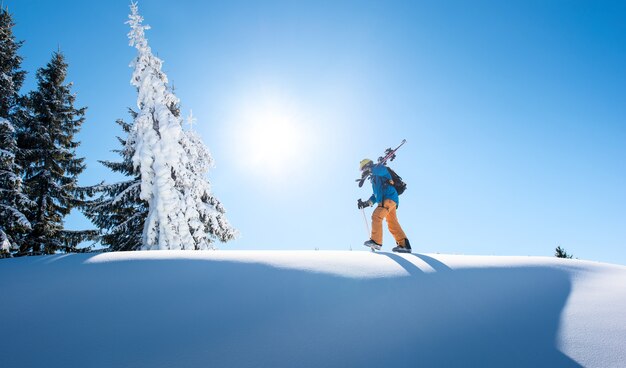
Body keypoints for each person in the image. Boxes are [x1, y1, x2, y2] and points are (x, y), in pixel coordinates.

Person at [357, 158, 411, 253]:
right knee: (392, 223)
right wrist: (367, 203)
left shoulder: (378, 168)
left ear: (367, 166)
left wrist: (371, 169)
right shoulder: (374, 178)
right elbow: (375, 195)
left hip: (388, 198)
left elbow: (383, 171)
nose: (363, 172)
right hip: (390, 200)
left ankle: (376, 242)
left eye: (363, 169)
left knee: (376, 216)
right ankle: (404, 245)